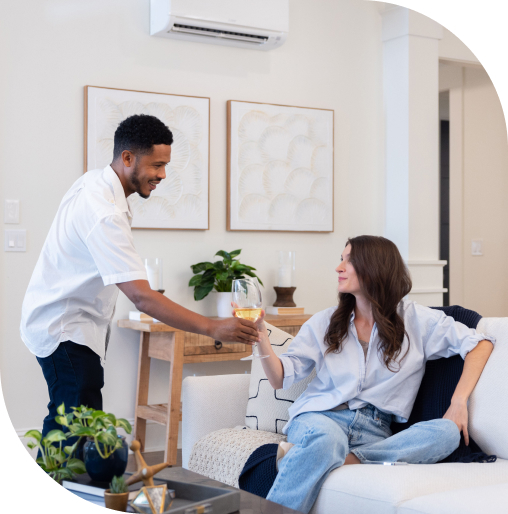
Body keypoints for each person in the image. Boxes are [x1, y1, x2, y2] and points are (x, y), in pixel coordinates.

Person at [20, 114, 260, 445]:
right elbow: (142, 297)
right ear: (128, 158)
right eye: (157, 165)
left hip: (67, 322)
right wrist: (213, 328)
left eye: (165, 166)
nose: (162, 175)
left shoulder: (96, 184)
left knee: (74, 420)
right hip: (64, 328)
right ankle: (56, 492)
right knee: (74, 427)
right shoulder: (104, 211)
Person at [252, 235, 494, 514]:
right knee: (326, 439)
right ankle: (320, 454)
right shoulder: (325, 321)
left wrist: (458, 401)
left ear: (374, 267)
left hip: (376, 432)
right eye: (340, 259)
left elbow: (480, 343)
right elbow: (280, 378)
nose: (339, 267)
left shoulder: (416, 320)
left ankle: (329, 458)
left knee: (448, 432)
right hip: (321, 418)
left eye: (348, 260)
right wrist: (261, 336)